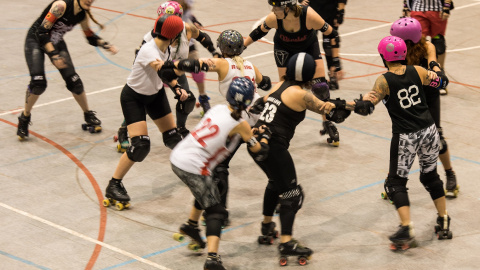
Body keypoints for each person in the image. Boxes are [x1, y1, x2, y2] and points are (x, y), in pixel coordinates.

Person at [333, 36, 453, 249]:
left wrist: (343, 105)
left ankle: (406, 226)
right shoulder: (418, 70)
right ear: (404, 54)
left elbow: (366, 107)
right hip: (429, 130)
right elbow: (442, 81)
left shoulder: (384, 80)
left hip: (406, 136)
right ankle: (444, 219)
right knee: (430, 176)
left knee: (395, 183)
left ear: (383, 57)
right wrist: (434, 64)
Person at [170, 77, 271, 270]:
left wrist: (252, 132)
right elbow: (259, 151)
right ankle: (212, 259)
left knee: (214, 187)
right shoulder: (242, 125)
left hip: (179, 156)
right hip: (193, 166)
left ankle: (191, 225)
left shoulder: (217, 108)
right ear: (249, 102)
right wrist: (264, 137)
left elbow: (225, 130)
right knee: (216, 211)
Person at [248, 52, 335, 265]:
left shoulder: (278, 85)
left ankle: (267, 227)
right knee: (292, 194)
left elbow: (261, 103)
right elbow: (328, 109)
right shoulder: (300, 94)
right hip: (274, 147)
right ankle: (286, 242)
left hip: (256, 143)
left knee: (275, 183)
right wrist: (346, 105)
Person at [103, 14, 194, 210]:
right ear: (175, 36)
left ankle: (191, 172)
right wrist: (187, 66)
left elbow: (165, 76)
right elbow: (162, 70)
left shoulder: (166, 47)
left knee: (173, 138)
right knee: (140, 145)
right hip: (133, 98)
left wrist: (177, 87)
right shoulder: (148, 49)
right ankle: (114, 184)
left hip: (155, 95)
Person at [114, 1, 221, 152]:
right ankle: (124, 130)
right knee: (144, 104)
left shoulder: (186, 29)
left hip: (175, 73)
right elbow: (140, 62)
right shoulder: (151, 38)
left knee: (187, 99)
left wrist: (215, 52)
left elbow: (203, 37)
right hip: (157, 74)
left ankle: (180, 128)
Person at [244, 0, 342, 146]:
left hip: (308, 47)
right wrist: (242, 47)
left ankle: (327, 123)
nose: (273, 10)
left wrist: (334, 63)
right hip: (284, 48)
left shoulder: (309, 15)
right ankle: (272, 121)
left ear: (287, 8)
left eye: (276, 7)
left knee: (321, 87)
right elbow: (259, 32)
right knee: (285, 88)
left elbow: (332, 34)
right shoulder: (274, 18)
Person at [17, 0, 118, 140]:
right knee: (38, 83)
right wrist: (54, 55)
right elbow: (42, 32)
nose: (90, 1)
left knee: (74, 82)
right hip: (35, 40)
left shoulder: (82, 14)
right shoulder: (61, 6)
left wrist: (105, 44)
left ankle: (88, 114)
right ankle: (24, 118)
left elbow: (89, 36)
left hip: (55, 42)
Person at [390, 17, 458, 197]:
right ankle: (395, 182)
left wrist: (437, 71)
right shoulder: (396, 50)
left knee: (438, 137)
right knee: (403, 140)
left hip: (428, 95)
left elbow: (433, 62)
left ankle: (450, 173)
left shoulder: (427, 47)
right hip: (409, 96)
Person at [402, 0, 454, 95]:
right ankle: (416, 76)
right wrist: (406, 6)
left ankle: (440, 74)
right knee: (418, 43)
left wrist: (446, 7)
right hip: (418, 9)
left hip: (437, 10)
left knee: (439, 43)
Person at [300, 0, 347, 90]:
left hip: (331, 10)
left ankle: (333, 73)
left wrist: (340, 12)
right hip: (313, 10)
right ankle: (308, 75)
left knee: (329, 43)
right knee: (309, 43)